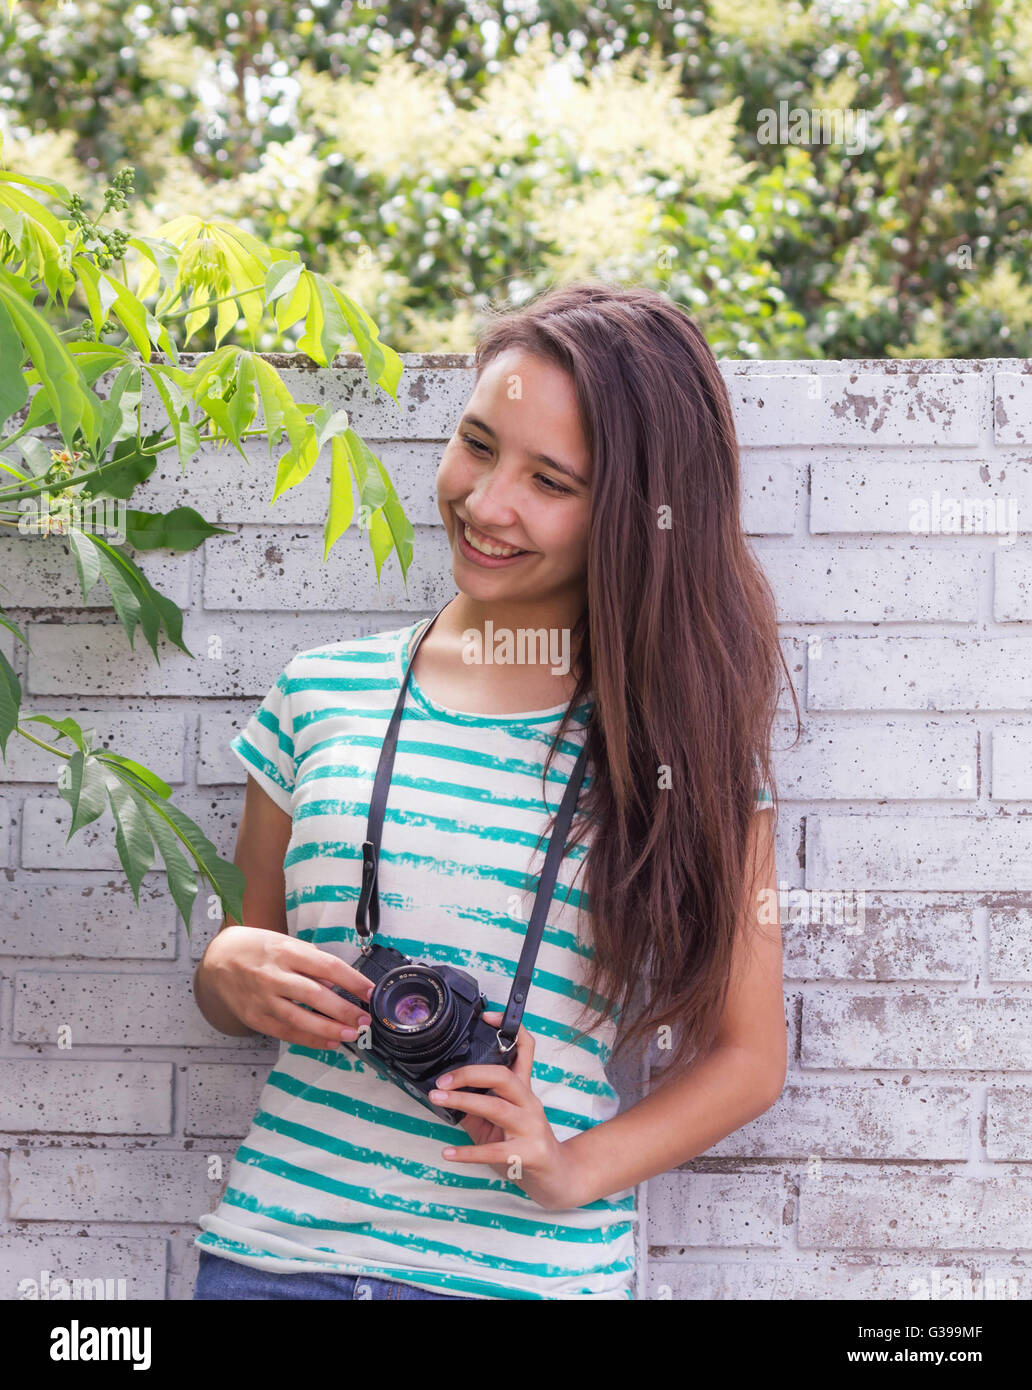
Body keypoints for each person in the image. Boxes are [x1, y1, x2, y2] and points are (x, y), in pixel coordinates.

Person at [191, 281, 794, 1301]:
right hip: (274, 1261)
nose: (485, 502)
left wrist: (574, 1166)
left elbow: (749, 1054)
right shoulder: (319, 692)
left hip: (524, 1280)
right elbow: (245, 979)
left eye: (550, 480)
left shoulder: (677, 744)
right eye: (477, 444)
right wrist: (225, 965)